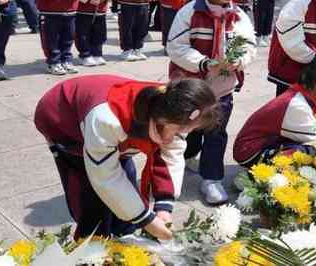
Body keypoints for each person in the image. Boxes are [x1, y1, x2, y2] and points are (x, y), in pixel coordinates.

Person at [34, 75, 220, 240]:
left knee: (127, 194)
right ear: (161, 119)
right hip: (63, 119)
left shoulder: (178, 109)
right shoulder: (107, 119)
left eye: (186, 130)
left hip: (111, 128)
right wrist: (145, 220)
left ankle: (125, 239)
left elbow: (170, 156)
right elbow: (105, 177)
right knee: (92, 202)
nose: (178, 135)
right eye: (178, 129)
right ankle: (91, 251)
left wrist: (164, 208)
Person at [168, 0, 256, 204]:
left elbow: (249, 44)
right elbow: (175, 47)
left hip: (222, 88)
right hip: (191, 87)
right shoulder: (189, 12)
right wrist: (204, 63)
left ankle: (211, 179)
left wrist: (240, 60)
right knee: (186, 127)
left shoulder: (239, 16)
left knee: (216, 132)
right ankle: (178, 163)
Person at [233, 54, 316, 166]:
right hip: (250, 152)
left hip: (264, 142)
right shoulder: (297, 106)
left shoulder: (304, 92)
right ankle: (268, 174)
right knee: (313, 151)